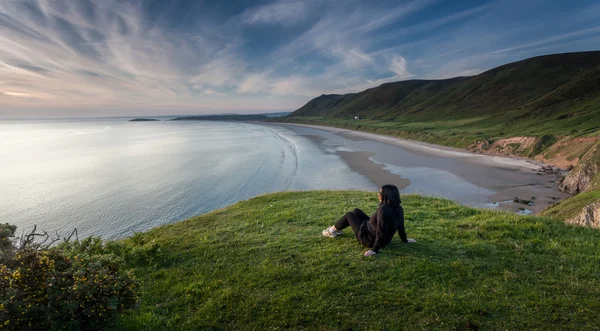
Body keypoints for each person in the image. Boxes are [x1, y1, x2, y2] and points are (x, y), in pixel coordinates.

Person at [322, 184, 416, 257]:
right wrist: (405, 240)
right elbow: (401, 226)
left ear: (386, 196)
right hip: (372, 230)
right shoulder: (399, 208)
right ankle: (337, 229)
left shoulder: (383, 211)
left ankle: (331, 231)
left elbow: (381, 232)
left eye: (380, 193)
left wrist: (374, 249)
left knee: (349, 215)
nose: (378, 195)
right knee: (356, 211)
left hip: (368, 239)